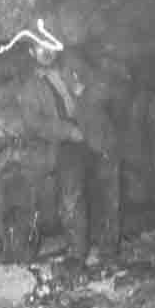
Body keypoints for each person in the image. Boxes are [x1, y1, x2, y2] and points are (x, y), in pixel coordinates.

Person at [10, 26, 124, 265]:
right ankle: (76, 253)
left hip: (97, 133)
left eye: (49, 46)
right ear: (32, 52)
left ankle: (109, 250)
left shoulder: (75, 65)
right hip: (67, 143)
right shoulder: (30, 88)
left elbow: (107, 90)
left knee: (109, 191)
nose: (47, 52)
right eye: (40, 48)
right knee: (71, 195)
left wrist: (86, 92)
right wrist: (67, 131)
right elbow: (35, 123)